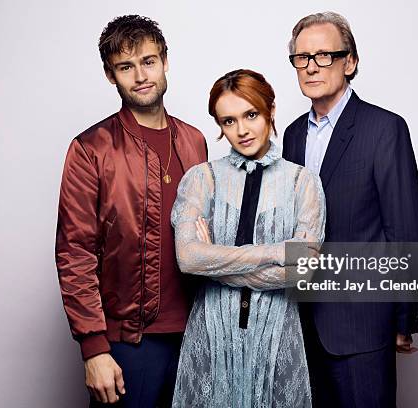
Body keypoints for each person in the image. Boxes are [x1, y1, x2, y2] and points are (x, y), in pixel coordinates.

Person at [55, 15, 207, 407]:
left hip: (197, 337)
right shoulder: (92, 149)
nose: (140, 75)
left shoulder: (194, 141)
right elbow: (74, 251)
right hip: (128, 345)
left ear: (165, 61)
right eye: (126, 66)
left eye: (148, 61)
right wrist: (93, 348)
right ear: (111, 75)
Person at [282, 12, 418, 408]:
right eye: (302, 57)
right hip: (301, 325)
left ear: (350, 62)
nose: (311, 66)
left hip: (363, 325)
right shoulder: (293, 135)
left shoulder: (384, 128)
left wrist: (403, 318)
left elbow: (406, 230)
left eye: (325, 55)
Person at [170, 69, 325, 407]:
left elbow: (303, 272)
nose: (241, 130)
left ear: (270, 110)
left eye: (250, 115)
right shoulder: (202, 178)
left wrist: (214, 262)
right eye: (228, 121)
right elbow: (188, 258)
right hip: (211, 336)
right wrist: (276, 251)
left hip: (277, 336)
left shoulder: (303, 182)